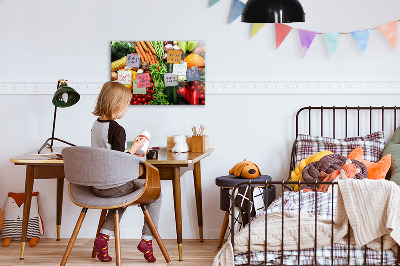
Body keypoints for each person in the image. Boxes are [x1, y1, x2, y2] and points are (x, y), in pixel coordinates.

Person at [91, 81, 161, 263]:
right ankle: (147, 240)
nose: (127, 109)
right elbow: (118, 161)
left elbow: (108, 154)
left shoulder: (96, 125)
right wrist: (135, 149)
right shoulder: (117, 129)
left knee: (122, 198)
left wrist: (130, 149)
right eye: (127, 104)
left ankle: (103, 238)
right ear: (117, 105)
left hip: (97, 186)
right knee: (156, 194)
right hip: (114, 186)